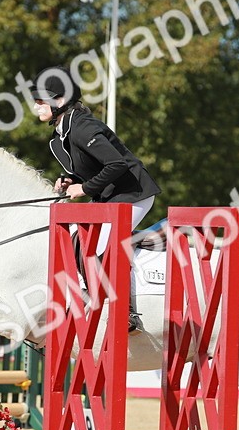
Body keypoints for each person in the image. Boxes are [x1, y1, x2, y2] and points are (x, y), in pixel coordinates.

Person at [32, 65, 160, 332]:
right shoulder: (60, 136)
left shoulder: (83, 127)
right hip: (109, 195)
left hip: (133, 193)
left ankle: (125, 313)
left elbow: (117, 164)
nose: (36, 107)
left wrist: (85, 189)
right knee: (78, 239)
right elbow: (87, 167)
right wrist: (69, 180)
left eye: (40, 100)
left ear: (60, 100)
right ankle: (88, 295)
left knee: (99, 245)